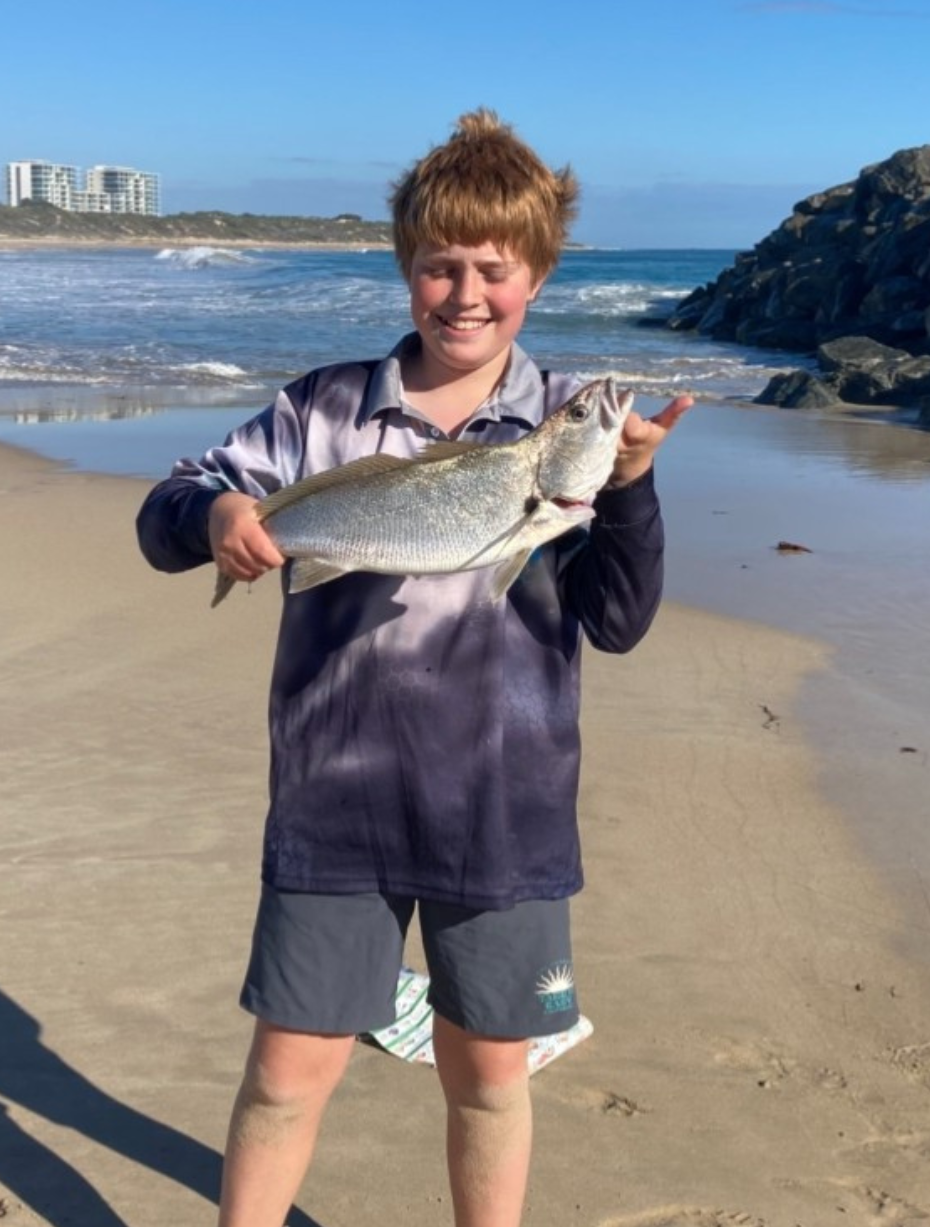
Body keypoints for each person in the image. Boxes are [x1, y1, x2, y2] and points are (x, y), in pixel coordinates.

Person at [136, 109, 691, 1227]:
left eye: (495, 269)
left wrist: (626, 486)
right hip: (336, 800)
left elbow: (619, 622)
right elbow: (166, 510)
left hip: (505, 809)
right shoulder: (323, 412)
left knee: (490, 1081)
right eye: (442, 268)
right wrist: (222, 516)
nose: (467, 294)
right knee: (289, 1075)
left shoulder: (559, 434)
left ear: (538, 274)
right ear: (407, 271)